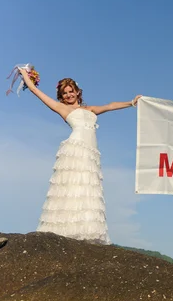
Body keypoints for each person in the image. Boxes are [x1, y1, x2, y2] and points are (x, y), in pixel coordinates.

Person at [18, 67, 141, 244]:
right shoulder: (62, 108)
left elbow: (110, 106)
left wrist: (131, 102)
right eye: (65, 93)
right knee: (71, 187)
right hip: (76, 149)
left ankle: (85, 231)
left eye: (71, 91)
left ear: (77, 92)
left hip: (90, 152)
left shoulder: (90, 109)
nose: (68, 95)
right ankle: (64, 230)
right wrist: (24, 75)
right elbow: (36, 91)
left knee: (86, 188)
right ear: (61, 96)